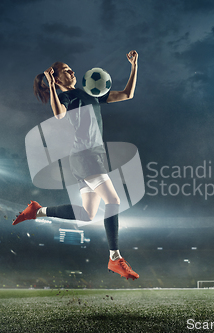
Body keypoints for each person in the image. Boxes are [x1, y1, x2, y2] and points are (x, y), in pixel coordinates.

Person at [13, 50, 139, 280]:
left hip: (93, 157)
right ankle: (114, 258)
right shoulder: (65, 98)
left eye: (71, 68)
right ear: (56, 78)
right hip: (84, 156)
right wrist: (51, 87)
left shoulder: (89, 93)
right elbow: (59, 115)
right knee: (113, 200)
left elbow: (127, 94)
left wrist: (134, 66)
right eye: (66, 70)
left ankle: (37, 211)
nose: (73, 71)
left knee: (88, 214)